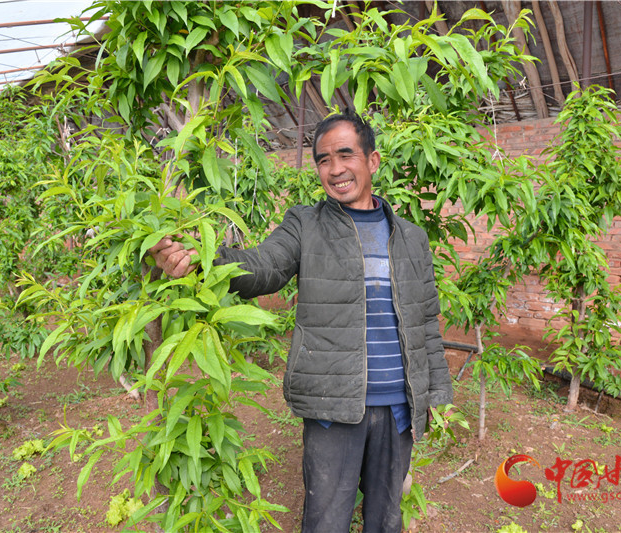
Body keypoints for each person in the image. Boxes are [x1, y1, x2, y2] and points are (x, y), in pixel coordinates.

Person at [150, 109, 453, 533]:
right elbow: (263, 266)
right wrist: (203, 261)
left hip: (398, 406)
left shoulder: (410, 237)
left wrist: (432, 394)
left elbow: (425, 320)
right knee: (326, 520)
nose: (335, 169)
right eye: (323, 160)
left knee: (387, 520)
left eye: (345, 155)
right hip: (334, 405)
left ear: (373, 160)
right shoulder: (305, 224)